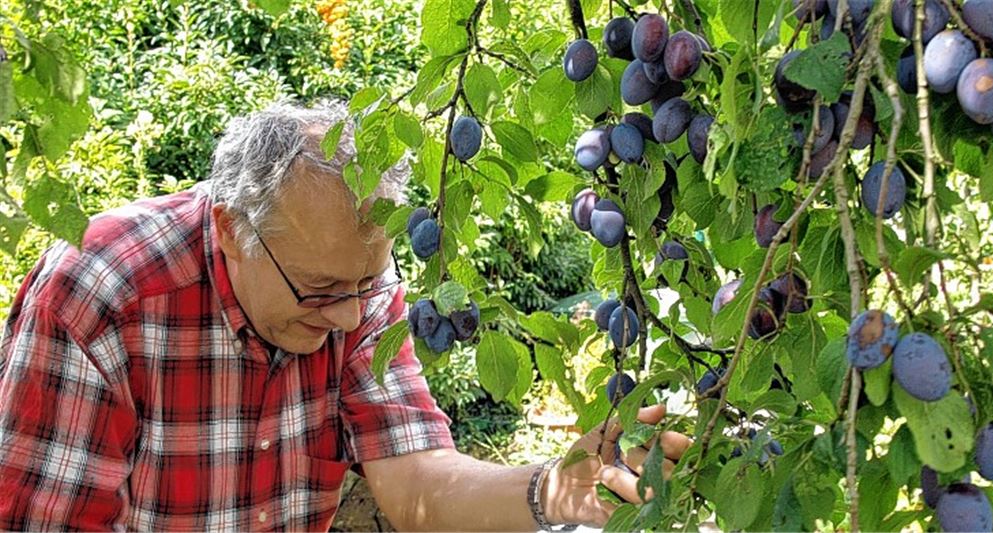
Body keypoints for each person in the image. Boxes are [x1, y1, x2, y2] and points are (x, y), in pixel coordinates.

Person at [0, 100, 691, 531]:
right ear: (231, 231)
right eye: (321, 290)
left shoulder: (349, 286)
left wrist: (553, 488)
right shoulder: (99, 295)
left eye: (368, 284)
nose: (349, 317)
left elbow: (419, 484)